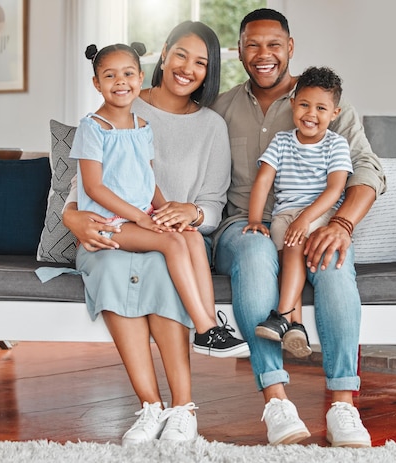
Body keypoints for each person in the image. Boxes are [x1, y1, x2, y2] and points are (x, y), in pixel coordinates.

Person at [211, 9, 386, 447]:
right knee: (254, 257)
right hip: (243, 224)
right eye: (252, 44)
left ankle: (343, 406)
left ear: (290, 48)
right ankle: (276, 401)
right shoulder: (221, 110)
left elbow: (368, 172)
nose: (263, 54)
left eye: (274, 44)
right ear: (239, 51)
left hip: (316, 223)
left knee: (333, 262)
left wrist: (342, 223)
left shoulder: (322, 103)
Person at [62, 21, 239, 445]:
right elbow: (85, 185)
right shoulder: (119, 108)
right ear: (162, 54)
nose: (187, 68)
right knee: (109, 267)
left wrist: (187, 213)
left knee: (164, 267)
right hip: (115, 228)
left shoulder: (211, 126)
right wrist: (73, 218)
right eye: (181, 54)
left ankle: (183, 407)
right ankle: (150, 406)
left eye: (201, 62)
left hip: (163, 228)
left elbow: (211, 202)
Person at [71, 42, 248, 359]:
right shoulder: (92, 128)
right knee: (173, 244)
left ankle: (210, 329)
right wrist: (140, 218)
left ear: (139, 77)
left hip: (140, 214)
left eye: (127, 74)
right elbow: (93, 188)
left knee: (190, 237)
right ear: (97, 83)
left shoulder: (141, 127)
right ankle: (204, 326)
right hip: (110, 222)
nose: (120, 82)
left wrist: (165, 211)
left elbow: (146, 179)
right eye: (110, 76)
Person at [243, 66, 352, 360]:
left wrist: (305, 219)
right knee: (289, 262)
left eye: (321, 108)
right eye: (304, 104)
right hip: (283, 216)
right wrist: (255, 220)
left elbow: (334, 190)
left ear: (335, 113)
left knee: (294, 247)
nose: (310, 114)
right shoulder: (281, 141)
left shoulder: (336, 145)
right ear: (293, 103)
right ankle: (297, 327)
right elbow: (263, 182)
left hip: (319, 215)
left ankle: (280, 315)